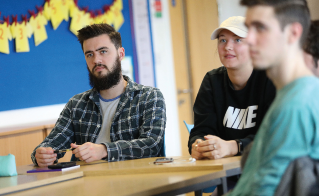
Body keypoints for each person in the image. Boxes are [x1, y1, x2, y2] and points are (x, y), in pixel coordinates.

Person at [31, 24, 166, 166]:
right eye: (89, 54)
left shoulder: (150, 96)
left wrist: (104, 150)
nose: (96, 60)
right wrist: (41, 155)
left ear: (120, 54)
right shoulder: (76, 104)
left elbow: (152, 145)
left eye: (103, 51)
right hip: (87, 184)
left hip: (136, 181)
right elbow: (51, 143)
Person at [227, 0, 319, 196]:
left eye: (260, 28)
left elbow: (263, 191)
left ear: (293, 33)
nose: (248, 39)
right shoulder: (293, 94)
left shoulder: (296, 105)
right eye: (248, 28)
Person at [188, 16, 276, 161]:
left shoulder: (271, 78)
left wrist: (233, 147)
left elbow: (276, 135)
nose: (228, 47)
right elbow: (201, 130)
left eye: (238, 40)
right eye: (222, 40)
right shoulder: (212, 81)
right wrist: (199, 145)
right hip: (227, 171)